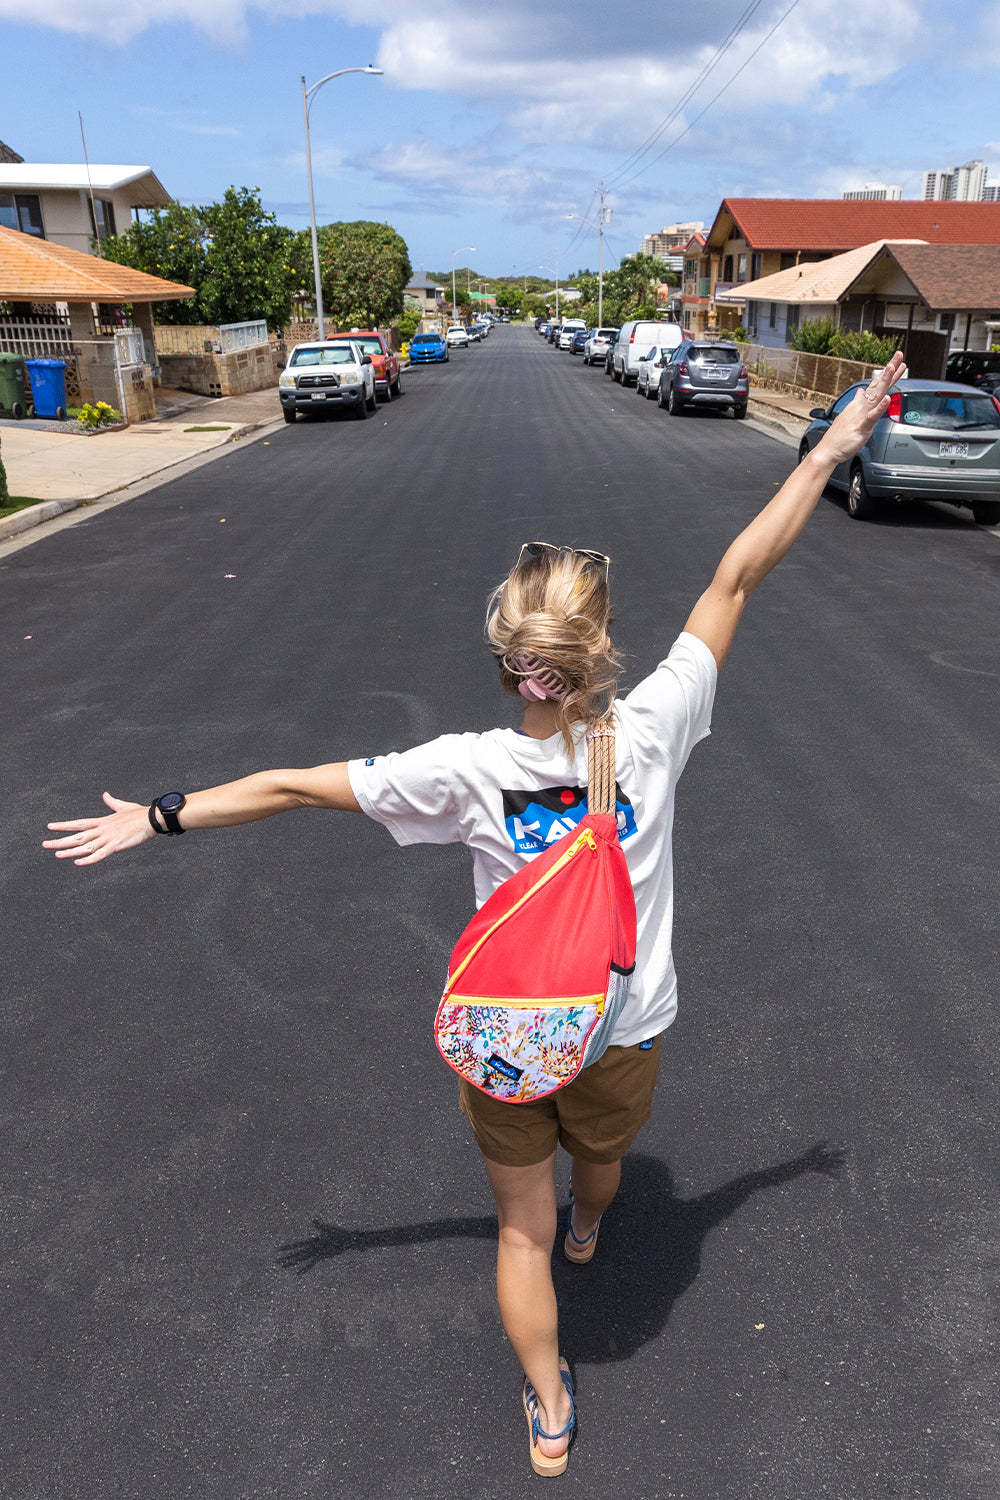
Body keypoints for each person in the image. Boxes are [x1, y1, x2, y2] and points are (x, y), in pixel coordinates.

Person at [43, 351, 906, 1478]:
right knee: (599, 1169)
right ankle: (596, 1221)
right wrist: (833, 447)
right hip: (623, 1024)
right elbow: (736, 577)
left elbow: (296, 786)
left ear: (509, 661)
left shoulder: (461, 769)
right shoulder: (647, 733)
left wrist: (160, 817)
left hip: (503, 1032)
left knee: (516, 1228)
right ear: (594, 654)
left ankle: (547, 1405)